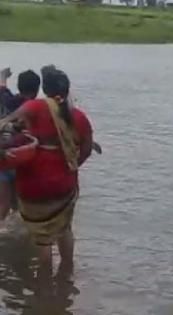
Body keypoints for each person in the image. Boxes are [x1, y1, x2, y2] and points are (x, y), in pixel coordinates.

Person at [0, 67, 93, 284]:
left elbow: (4, 124)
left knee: (43, 241)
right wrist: (72, 166)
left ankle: (44, 291)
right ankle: (66, 280)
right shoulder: (78, 116)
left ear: (45, 89)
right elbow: (86, 150)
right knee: (65, 229)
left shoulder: (34, 107)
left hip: (33, 185)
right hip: (64, 185)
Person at [0, 68, 40, 230]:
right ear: (37, 90)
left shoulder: (6, 98)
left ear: (19, 86)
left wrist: (3, 76)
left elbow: (2, 86)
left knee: (2, 204)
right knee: (20, 204)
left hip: (2, 158)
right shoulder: (33, 107)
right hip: (21, 160)